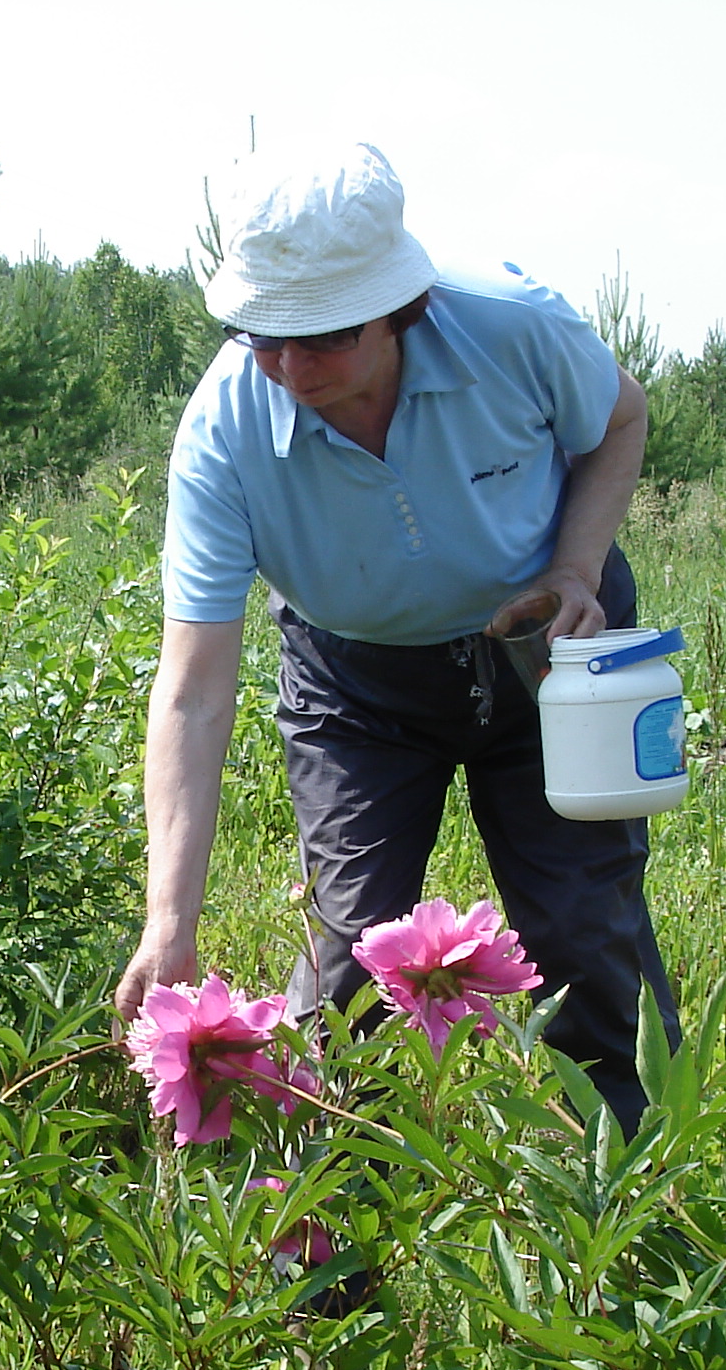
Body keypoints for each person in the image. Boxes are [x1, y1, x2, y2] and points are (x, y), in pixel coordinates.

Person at [113, 143, 681, 1131]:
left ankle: (641, 1212)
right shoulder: (225, 433)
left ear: (398, 309)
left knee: (586, 932)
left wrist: (576, 573)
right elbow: (195, 693)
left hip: (545, 651)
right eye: (263, 335)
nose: (289, 367)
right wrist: (172, 920)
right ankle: (331, 1258)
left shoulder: (512, 327)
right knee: (351, 957)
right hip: (357, 687)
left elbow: (618, 421)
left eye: (322, 337)